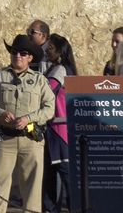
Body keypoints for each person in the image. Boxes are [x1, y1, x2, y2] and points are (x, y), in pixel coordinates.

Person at [0, 34, 54, 213]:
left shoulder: (39, 80)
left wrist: (29, 119)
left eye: (23, 53)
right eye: (14, 52)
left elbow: (50, 108)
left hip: (31, 138)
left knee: (32, 187)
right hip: (5, 138)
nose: (18, 56)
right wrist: (0, 113)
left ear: (30, 57)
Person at [42, 33, 79, 212]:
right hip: (57, 129)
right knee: (54, 175)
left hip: (59, 130)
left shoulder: (60, 71)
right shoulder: (62, 69)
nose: (47, 52)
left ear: (60, 51)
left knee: (65, 176)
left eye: (50, 49)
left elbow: (46, 94)